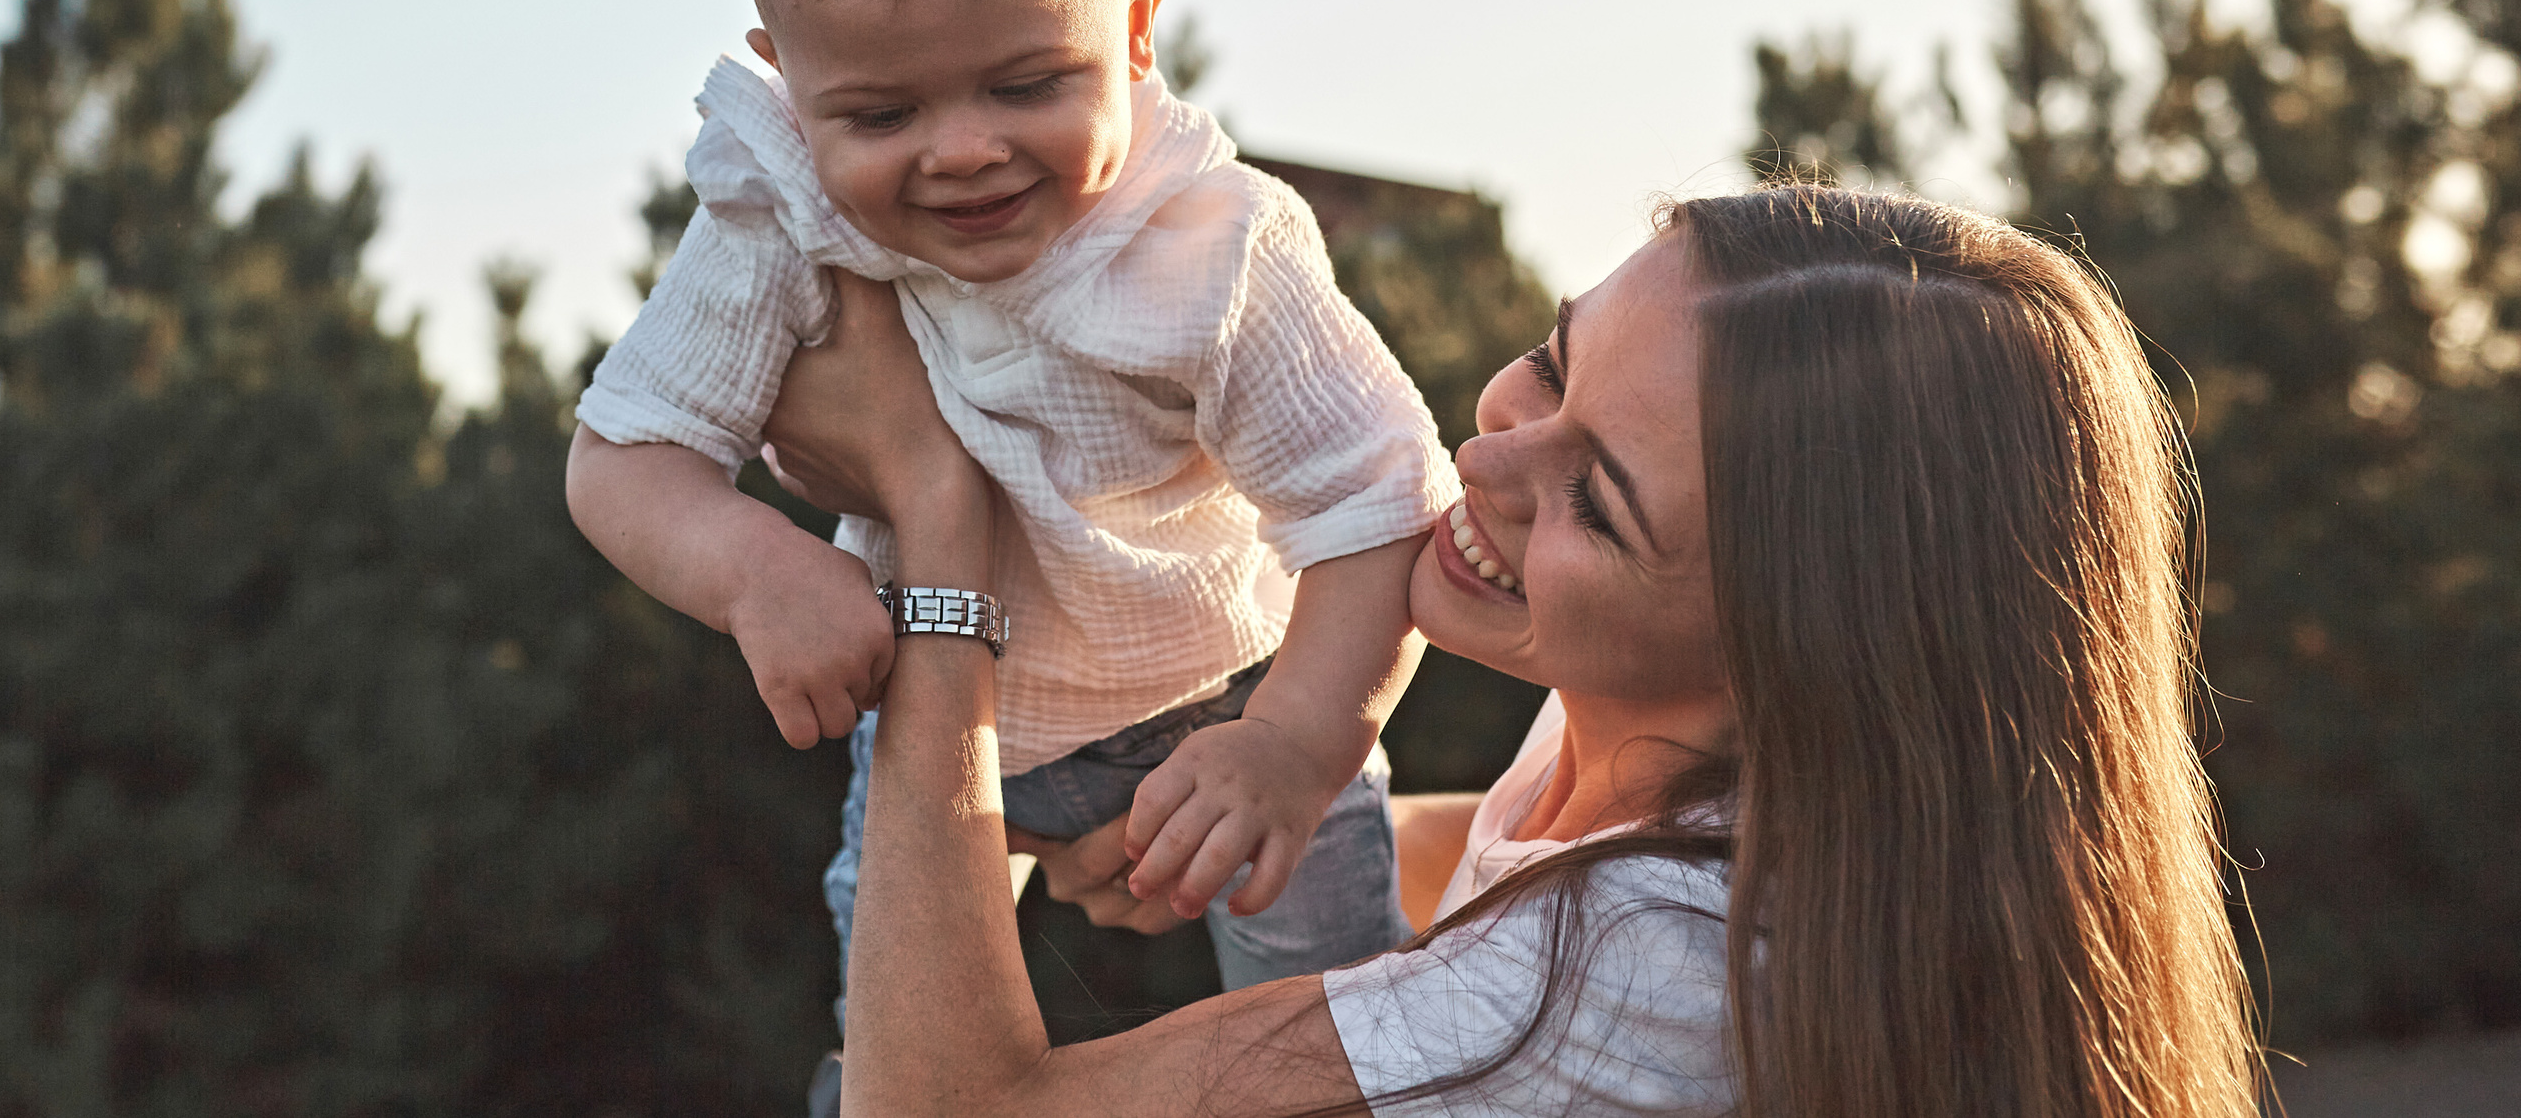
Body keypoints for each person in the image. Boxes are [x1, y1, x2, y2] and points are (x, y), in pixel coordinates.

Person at [761, 182, 2264, 1117]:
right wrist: (1211, 826)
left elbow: (945, 1106)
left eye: (1593, 503)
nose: (1490, 465)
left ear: (1798, 654)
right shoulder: (1664, 751)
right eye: (1549, 362)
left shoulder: (1641, 973)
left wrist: (938, 530)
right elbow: (1497, 856)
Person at [563, 0, 1457, 1052]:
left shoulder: (1212, 247)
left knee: (1328, 1015)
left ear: (1139, 20)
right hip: (938, 709)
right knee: (898, 1024)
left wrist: (1295, 745)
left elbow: (1380, 505)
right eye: (880, 111)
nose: (963, 150)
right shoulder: (781, 215)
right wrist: (753, 569)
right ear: (787, 80)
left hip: (1228, 700)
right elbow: (623, 456)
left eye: (1029, 83)